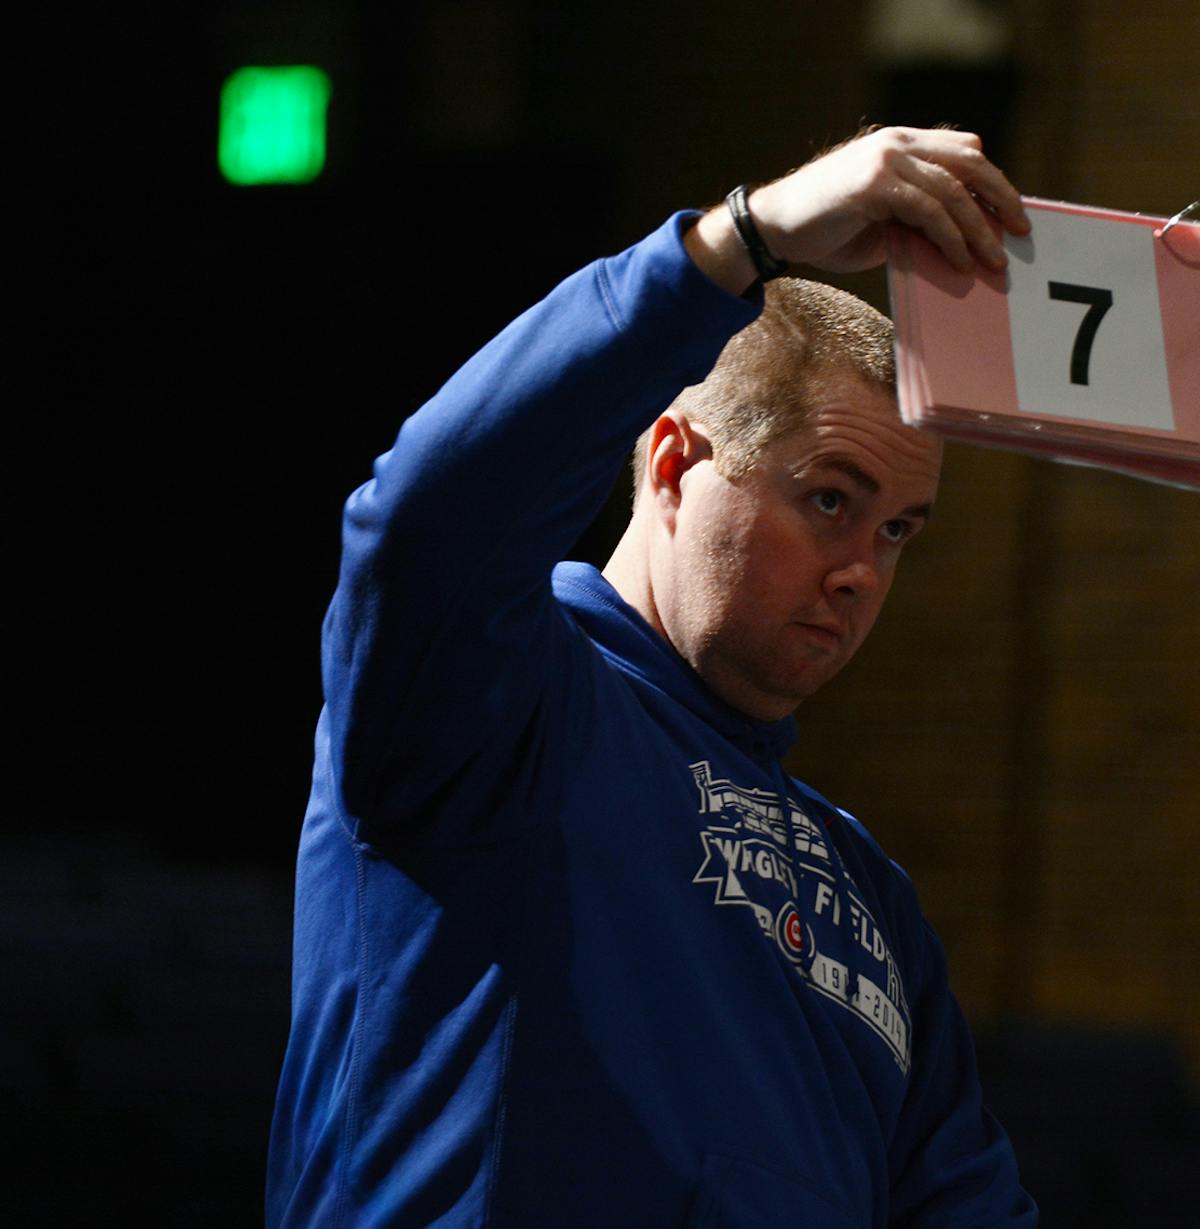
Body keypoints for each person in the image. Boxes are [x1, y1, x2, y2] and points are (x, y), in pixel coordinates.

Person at [266, 126, 1039, 1227]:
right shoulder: (499, 699)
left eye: (900, 527)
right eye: (831, 498)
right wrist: (743, 240)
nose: (866, 569)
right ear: (674, 462)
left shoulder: (870, 891)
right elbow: (430, 518)